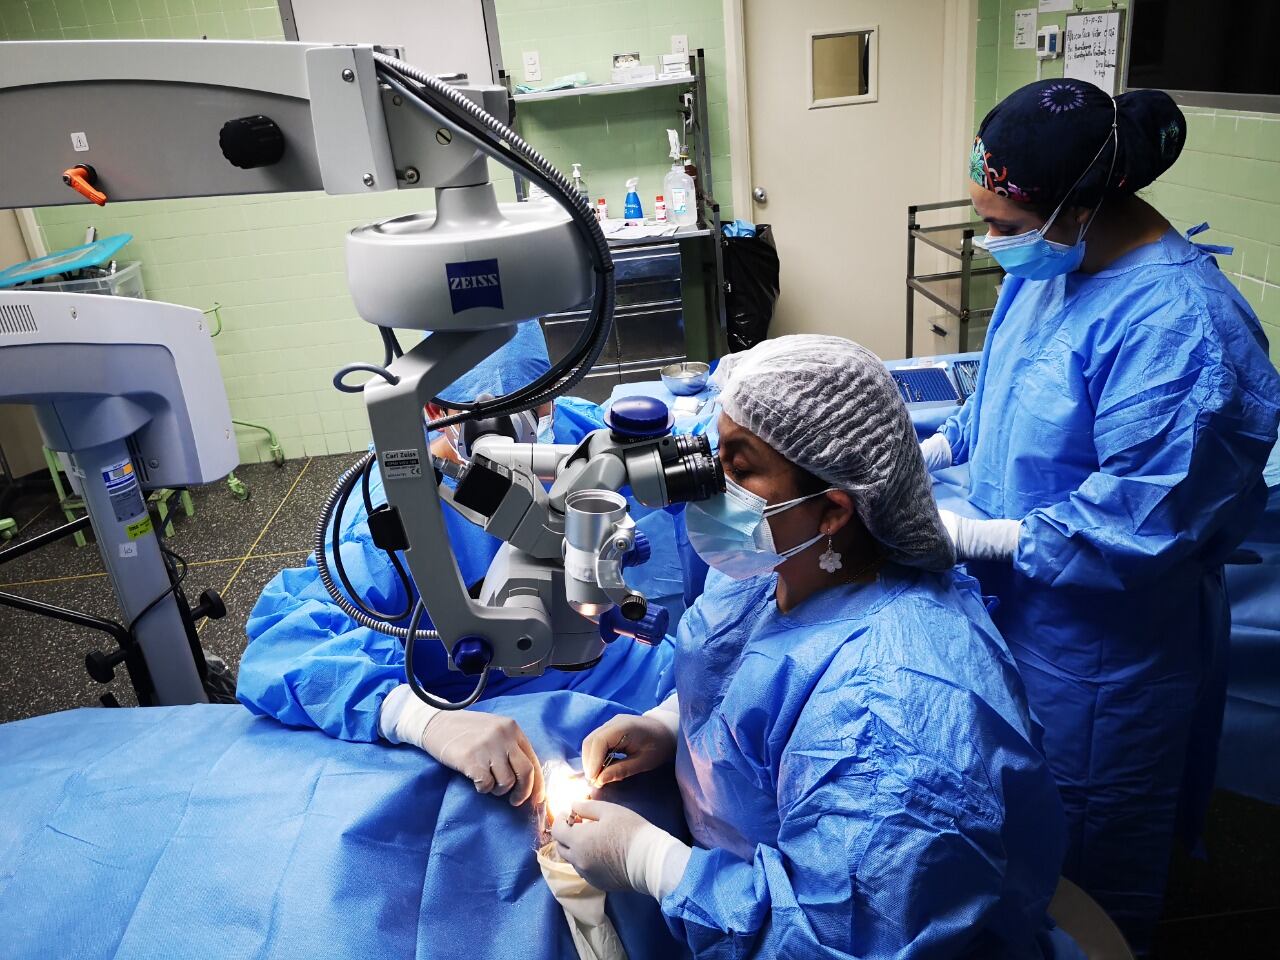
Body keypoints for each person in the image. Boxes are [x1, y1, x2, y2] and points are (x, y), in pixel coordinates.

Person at [551, 335, 1082, 959]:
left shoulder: (891, 710)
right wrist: (670, 725)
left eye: (740, 467)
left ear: (832, 510)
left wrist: (649, 861)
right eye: (714, 453)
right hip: (740, 865)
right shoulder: (782, 564)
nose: (712, 487)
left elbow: (840, 940)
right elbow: (740, 673)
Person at [918, 78, 1280, 950]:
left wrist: (970, 535)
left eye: (1002, 226)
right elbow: (996, 403)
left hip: (1108, 658)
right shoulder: (1053, 268)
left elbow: (1145, 519)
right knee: (1015, 827)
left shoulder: (1186, 332)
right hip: (1024, 615)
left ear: (1082, 208)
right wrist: (919, 453)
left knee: (1089, 861)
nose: (990, 243)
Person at [237, 319, 675, 809]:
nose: (518, 433)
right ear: (430, 409)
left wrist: (671, 719)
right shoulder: (393, 511)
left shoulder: (579, 436)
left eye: (534, 402)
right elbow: (284, 647)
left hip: (608, 667)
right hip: (480, 705)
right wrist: (425, 721)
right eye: (485, 415)